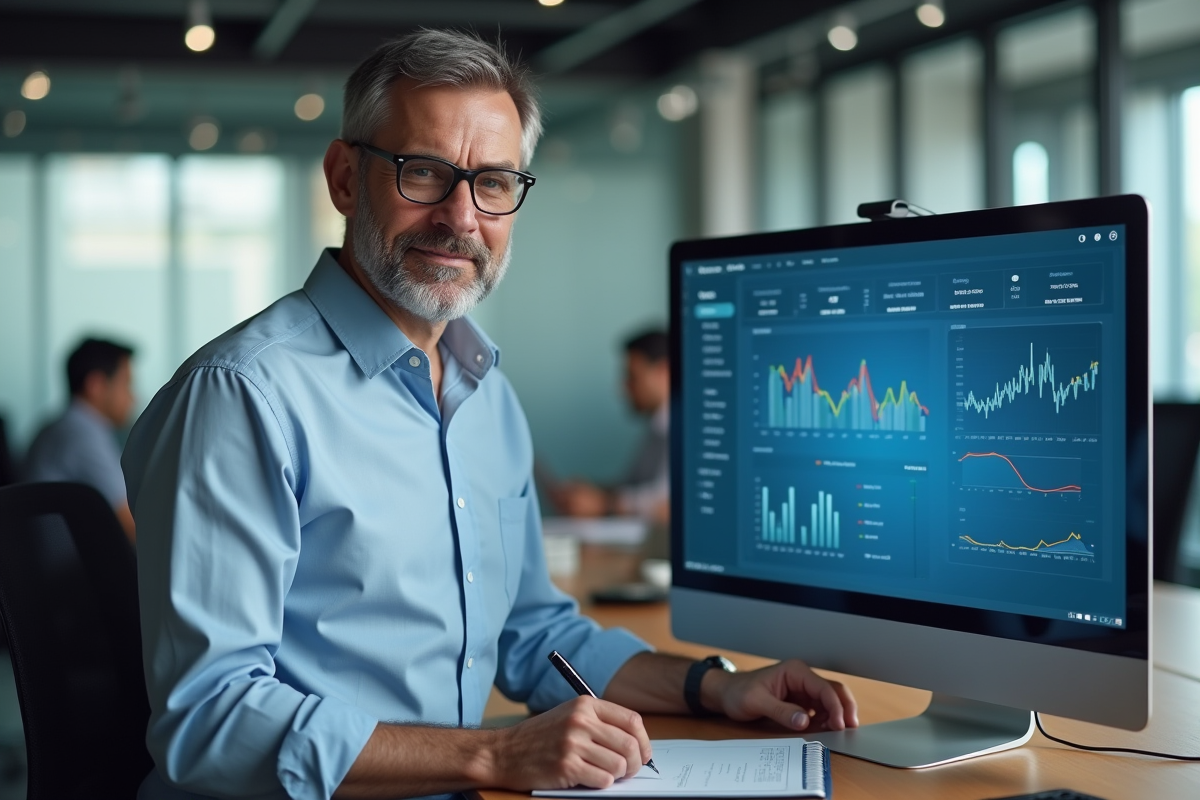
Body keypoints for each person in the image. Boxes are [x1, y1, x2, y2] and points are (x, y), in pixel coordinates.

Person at [122, 30, 857, 800]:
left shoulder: (484, 392)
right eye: (424, 173)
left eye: (495, 182)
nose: (461, 217)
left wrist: (715, 686)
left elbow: (536, 634)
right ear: (345, 178)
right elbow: (210, 718)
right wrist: (495, 756)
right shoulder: (244, 395)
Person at [550, 329, 670, 526]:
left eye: (633, 377)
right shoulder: (655, 428)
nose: (624, 388)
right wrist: (592, 493)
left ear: (664, 371)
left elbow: (669, 506)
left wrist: (605, 504)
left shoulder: (687, 431)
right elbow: (634, 487)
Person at [25, 337, 136, 542]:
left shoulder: (59, 426)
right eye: (127, 384)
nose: (133, 397)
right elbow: (131, 525)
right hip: (68, 569)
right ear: (95, 385)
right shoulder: (82, 435)